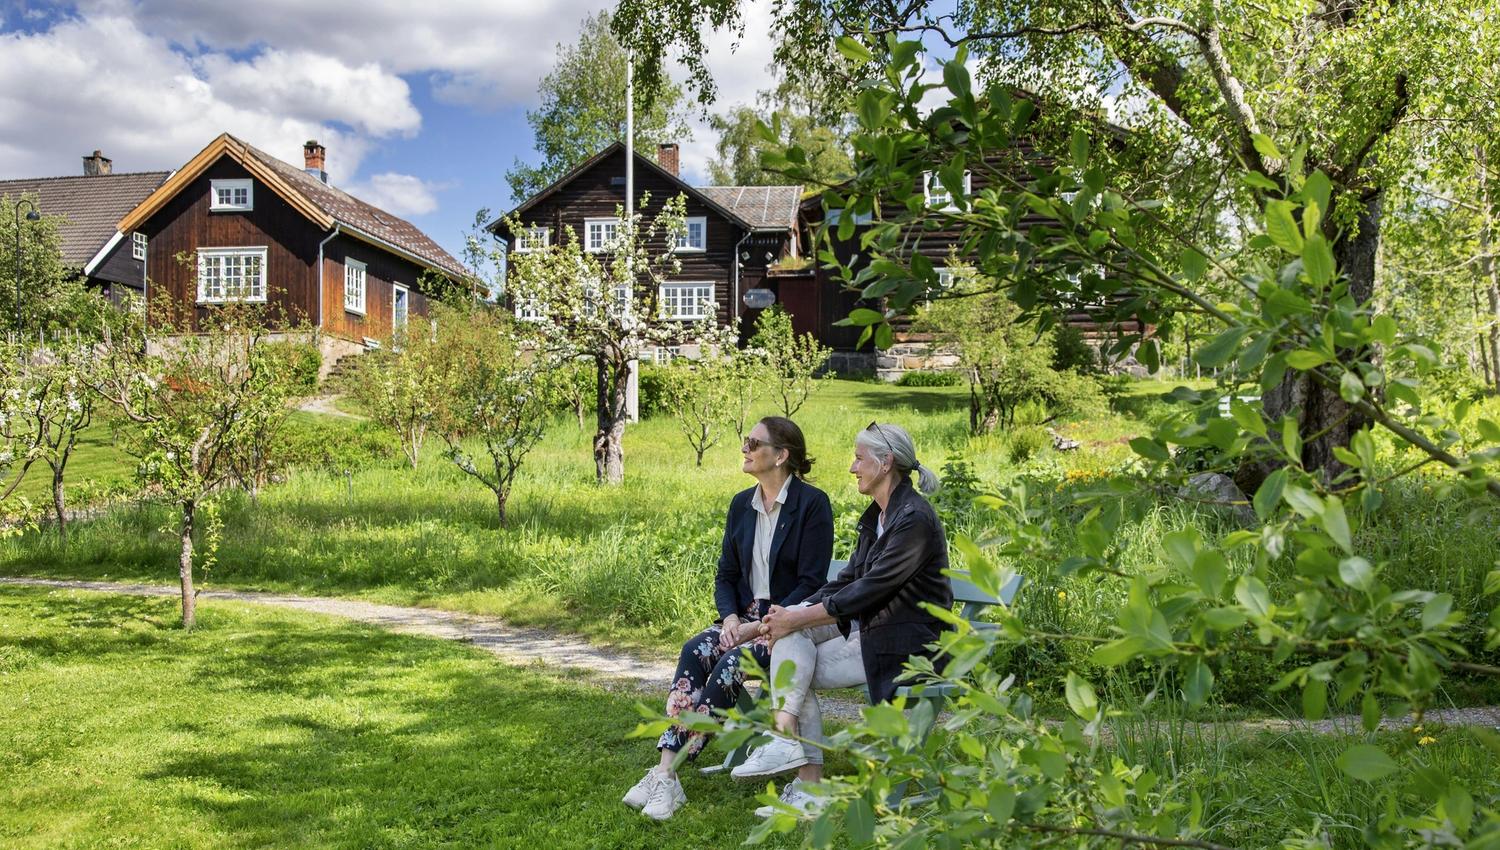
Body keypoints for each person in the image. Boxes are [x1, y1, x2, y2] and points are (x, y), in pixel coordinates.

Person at [732, 422, 951, 818]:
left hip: (909, 645)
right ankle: (791, 752)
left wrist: (794, 618)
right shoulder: (879, 516)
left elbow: (868, 591)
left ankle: (802, 770)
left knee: (797, 666)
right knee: (791, 642)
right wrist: (787, 617)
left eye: (858, 458)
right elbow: (847, 579)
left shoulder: (913, 519)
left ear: (885, 464)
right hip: (873, 630)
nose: (852, 467)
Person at [622, 416, 834, 821]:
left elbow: (812, 582)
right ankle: (665, 774)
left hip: (785, 621)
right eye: (746, 441)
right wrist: (732, 618)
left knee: (729, 664)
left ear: (781, 456)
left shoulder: (812, 505)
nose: (745, 448)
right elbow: (726, 575)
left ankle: (666, 773)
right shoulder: (742, 504)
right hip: (742, 619)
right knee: (694, 650)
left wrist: (760, 626)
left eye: (754, 443)